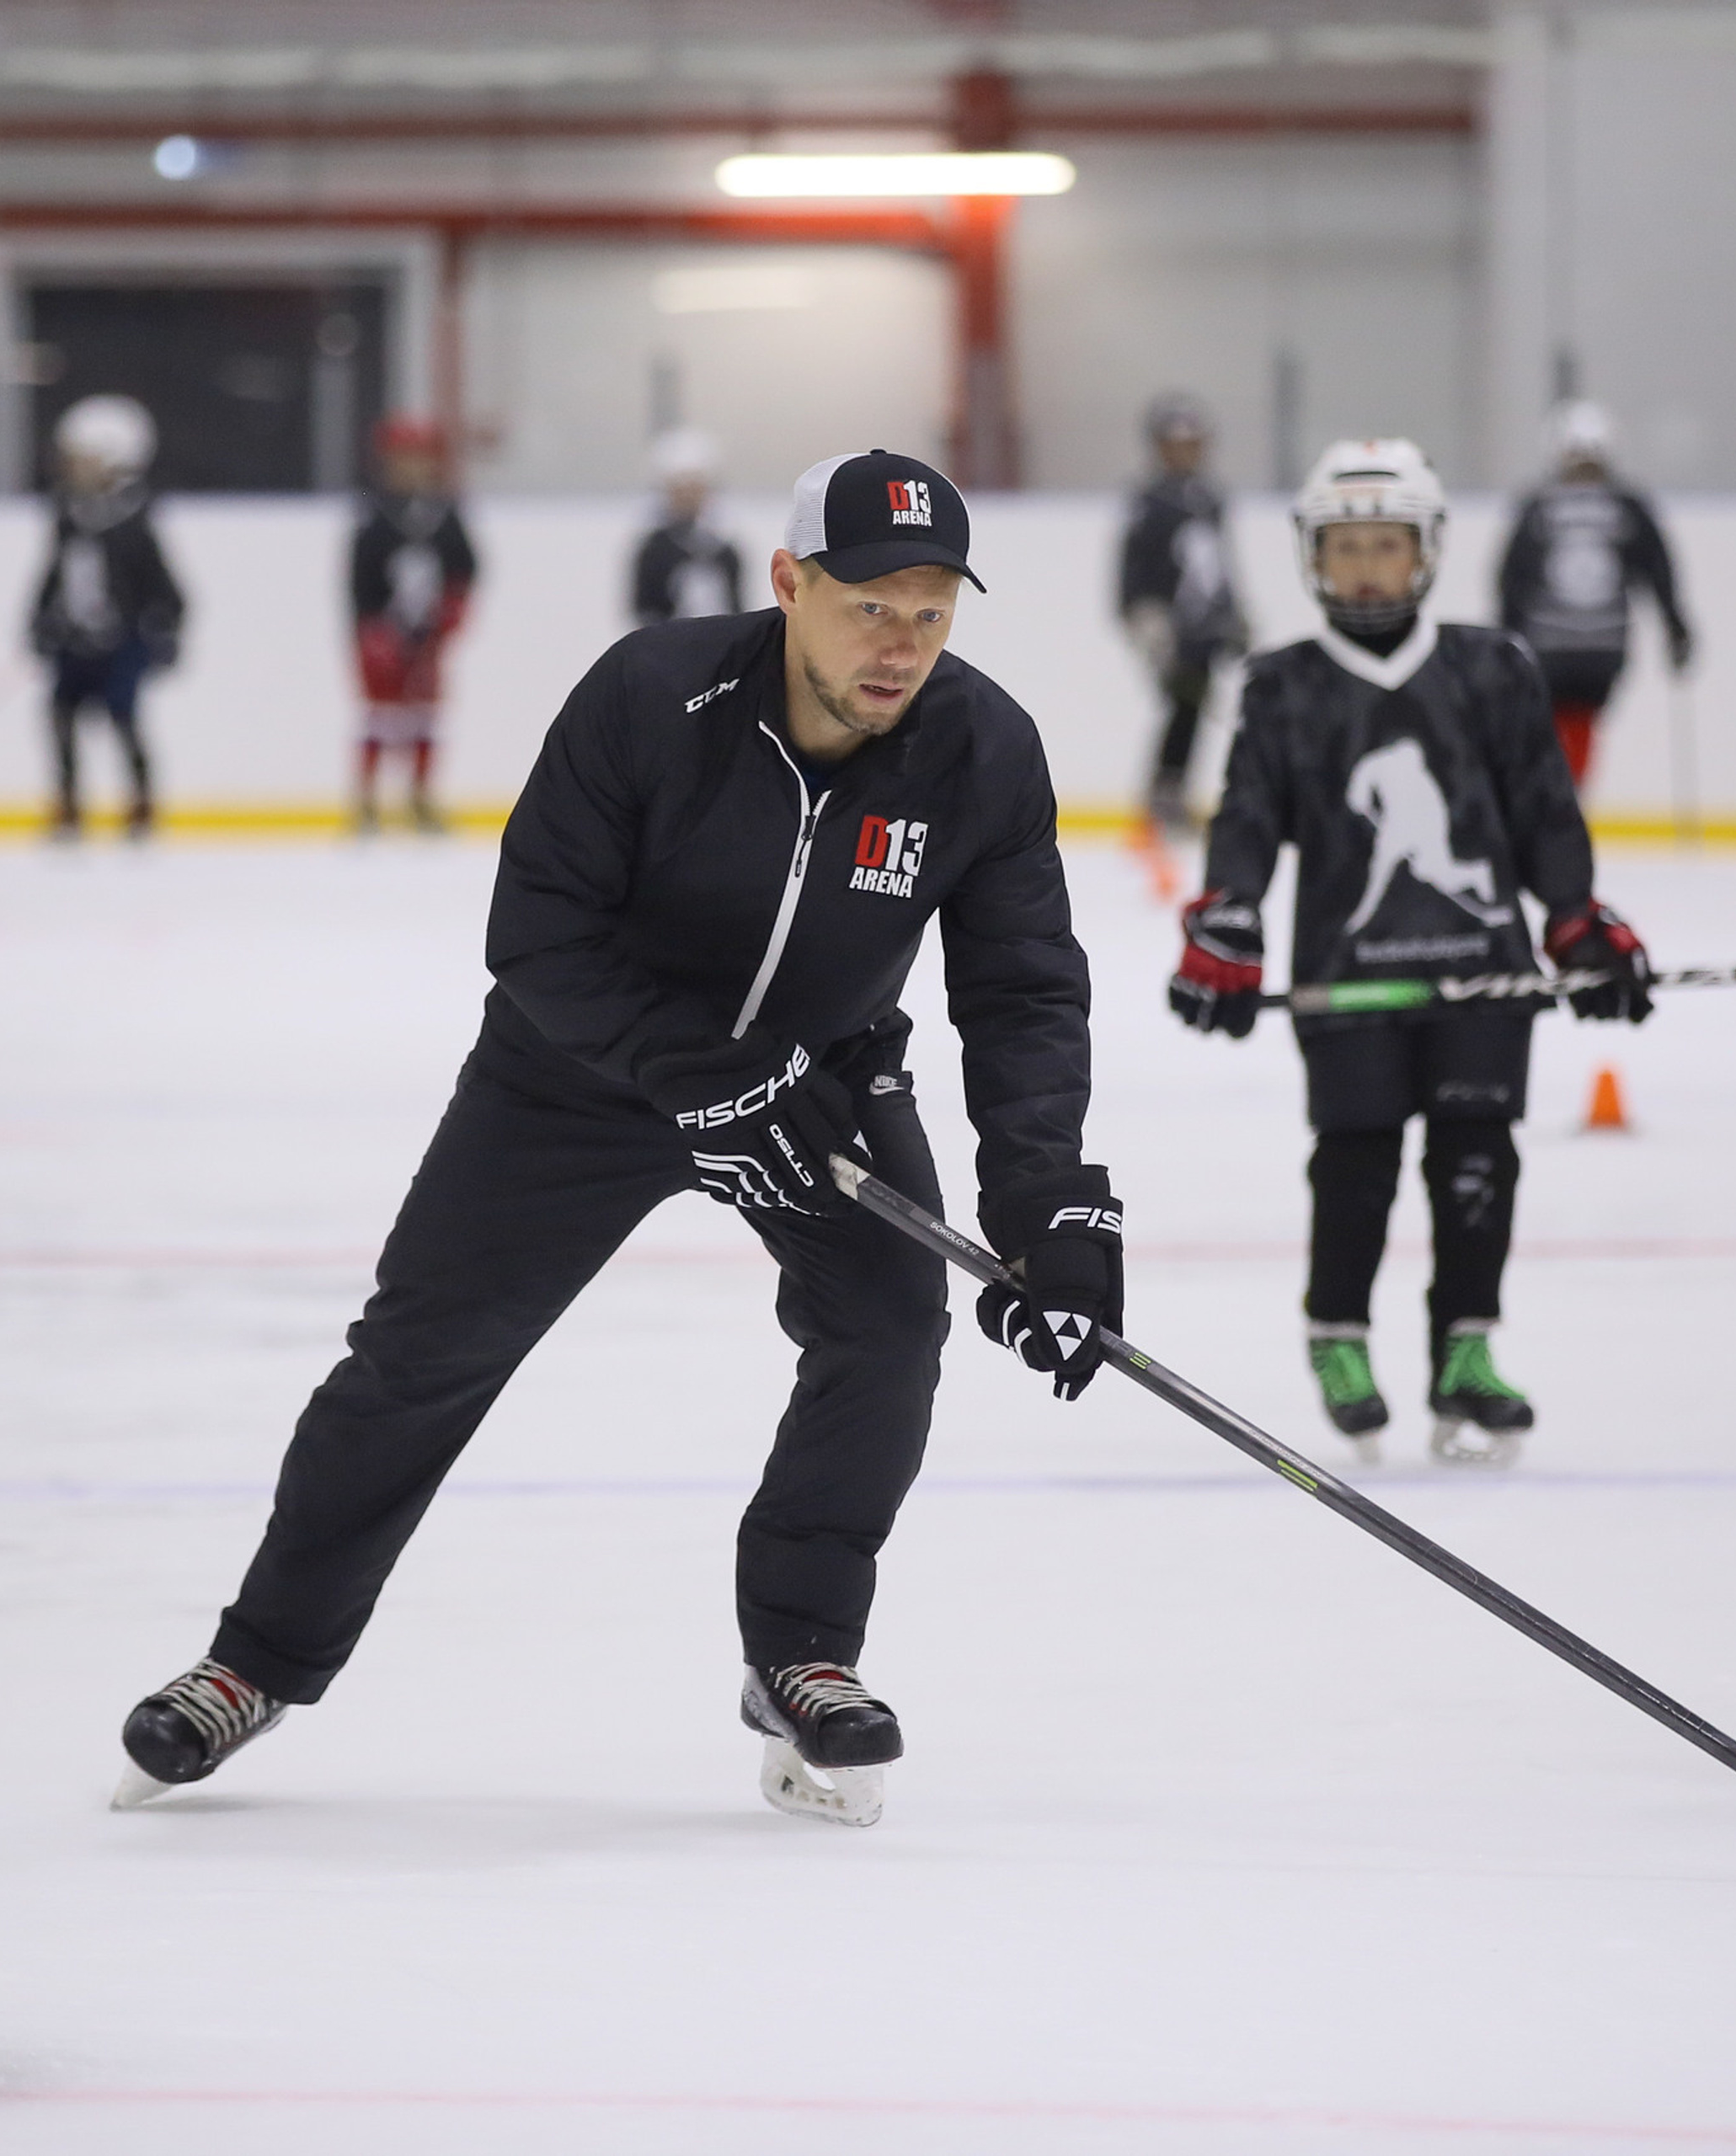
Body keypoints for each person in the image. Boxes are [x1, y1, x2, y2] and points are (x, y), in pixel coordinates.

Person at [115, 451, 1122, 1828]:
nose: (899, 645)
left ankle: (803, 1657)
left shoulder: (982, 750)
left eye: (931, 611)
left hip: (820, 1076)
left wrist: (1053, 1207)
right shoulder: (656, 695)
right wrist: (698, 1076)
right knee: (420, 1356)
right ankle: (255, 1662)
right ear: (788, 583)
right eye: (869, 606)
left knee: (891, 1328)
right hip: (577, 1074)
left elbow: (1019, 991)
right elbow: (537, 932)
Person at [1170, 439, 1653, 1467]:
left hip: (1482, 972)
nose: (1366, 568)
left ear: (1427, 552)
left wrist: (1572, 917)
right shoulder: (1283, 682)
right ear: (1312, 557)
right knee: (1356, 1159)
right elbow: (1248, 817)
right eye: (1345, 548)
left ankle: (1464, 1353)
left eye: (1387, 546)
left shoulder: (1493, 667)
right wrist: (1229, 917)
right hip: (1348, 975)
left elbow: (1542, 810)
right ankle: (1338, 1338)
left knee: (1478, 1159)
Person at [1498, 401, 1692, 789]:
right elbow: (1656, 569)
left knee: (1547, 722)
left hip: (1546, 645)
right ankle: (1571, 795)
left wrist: (1506, 635)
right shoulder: (1627, 507)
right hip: (1604, 647)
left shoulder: (1539, 507)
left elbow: (1513, 577)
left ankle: (1553, 795)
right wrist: (1675, 626)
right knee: (1582, 720)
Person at [29, 396, 184, 841]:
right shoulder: (68, 516)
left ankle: (140, 804)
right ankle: (69, 805)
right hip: (73, 640)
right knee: (60, 718)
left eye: (87, 459)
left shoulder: (135, 522)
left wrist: (164, 631)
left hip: (122, 642)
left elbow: (167, 589)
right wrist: (40, 621)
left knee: (124, 719)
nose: (76, 468)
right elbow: (52, 576)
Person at [1117, 392, 1247, 831]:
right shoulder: (1150, 502)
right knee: (1183, 705)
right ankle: (1165, 791)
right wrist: (1145, 619)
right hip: (1173, 628)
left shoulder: (1209, 498)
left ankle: (1175, 788)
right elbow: (1134, 570)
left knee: (1197, 710)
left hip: (1206, 626)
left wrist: (1234, 611)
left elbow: (1217, 562)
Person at [350, 414, 478, 833]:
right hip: (383, 633)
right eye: (402, 459)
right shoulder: (374, 514)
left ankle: (420, 796)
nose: (411, 468)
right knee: (380, 716)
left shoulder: (445, 514)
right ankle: (367, 801)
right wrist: (369, 628)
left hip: (430, 633)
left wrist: (454, 610)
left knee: (424, 715)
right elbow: (359, 576)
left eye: (420, 459)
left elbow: (466, 567)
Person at [631, 428, 745, 625]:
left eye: (695, 487)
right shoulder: (653, 550)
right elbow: (644, 611)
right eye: (680, 488)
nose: (688, 496)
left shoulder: (725, 551)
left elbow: (738, 609)